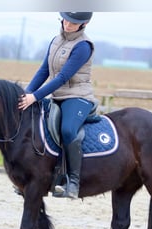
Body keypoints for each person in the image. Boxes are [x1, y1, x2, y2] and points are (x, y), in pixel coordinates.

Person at [18, 12, 98, 199]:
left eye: (74, 22)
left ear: (84, 23)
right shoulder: (55, 40)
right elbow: (44, 70)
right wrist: (27, 94)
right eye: (67, 19)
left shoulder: (83, 46)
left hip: (78, 96)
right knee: (34, 123)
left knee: (68, 130)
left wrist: (36, 96)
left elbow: (63, 77)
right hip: (56, 96)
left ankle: (73, 182)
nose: (68, 24)